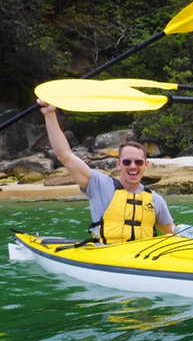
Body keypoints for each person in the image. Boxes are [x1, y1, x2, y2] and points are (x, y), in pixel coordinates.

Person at [37, 99, 175, 243]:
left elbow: (173, 234)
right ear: (118, 165)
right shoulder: (99, 185)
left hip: (141, 260)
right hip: (106, 255)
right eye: (127, 162)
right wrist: (50, 114)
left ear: (146, 165)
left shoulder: (156, 200)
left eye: (138, 162)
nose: (133, 166)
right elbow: (65, 156)